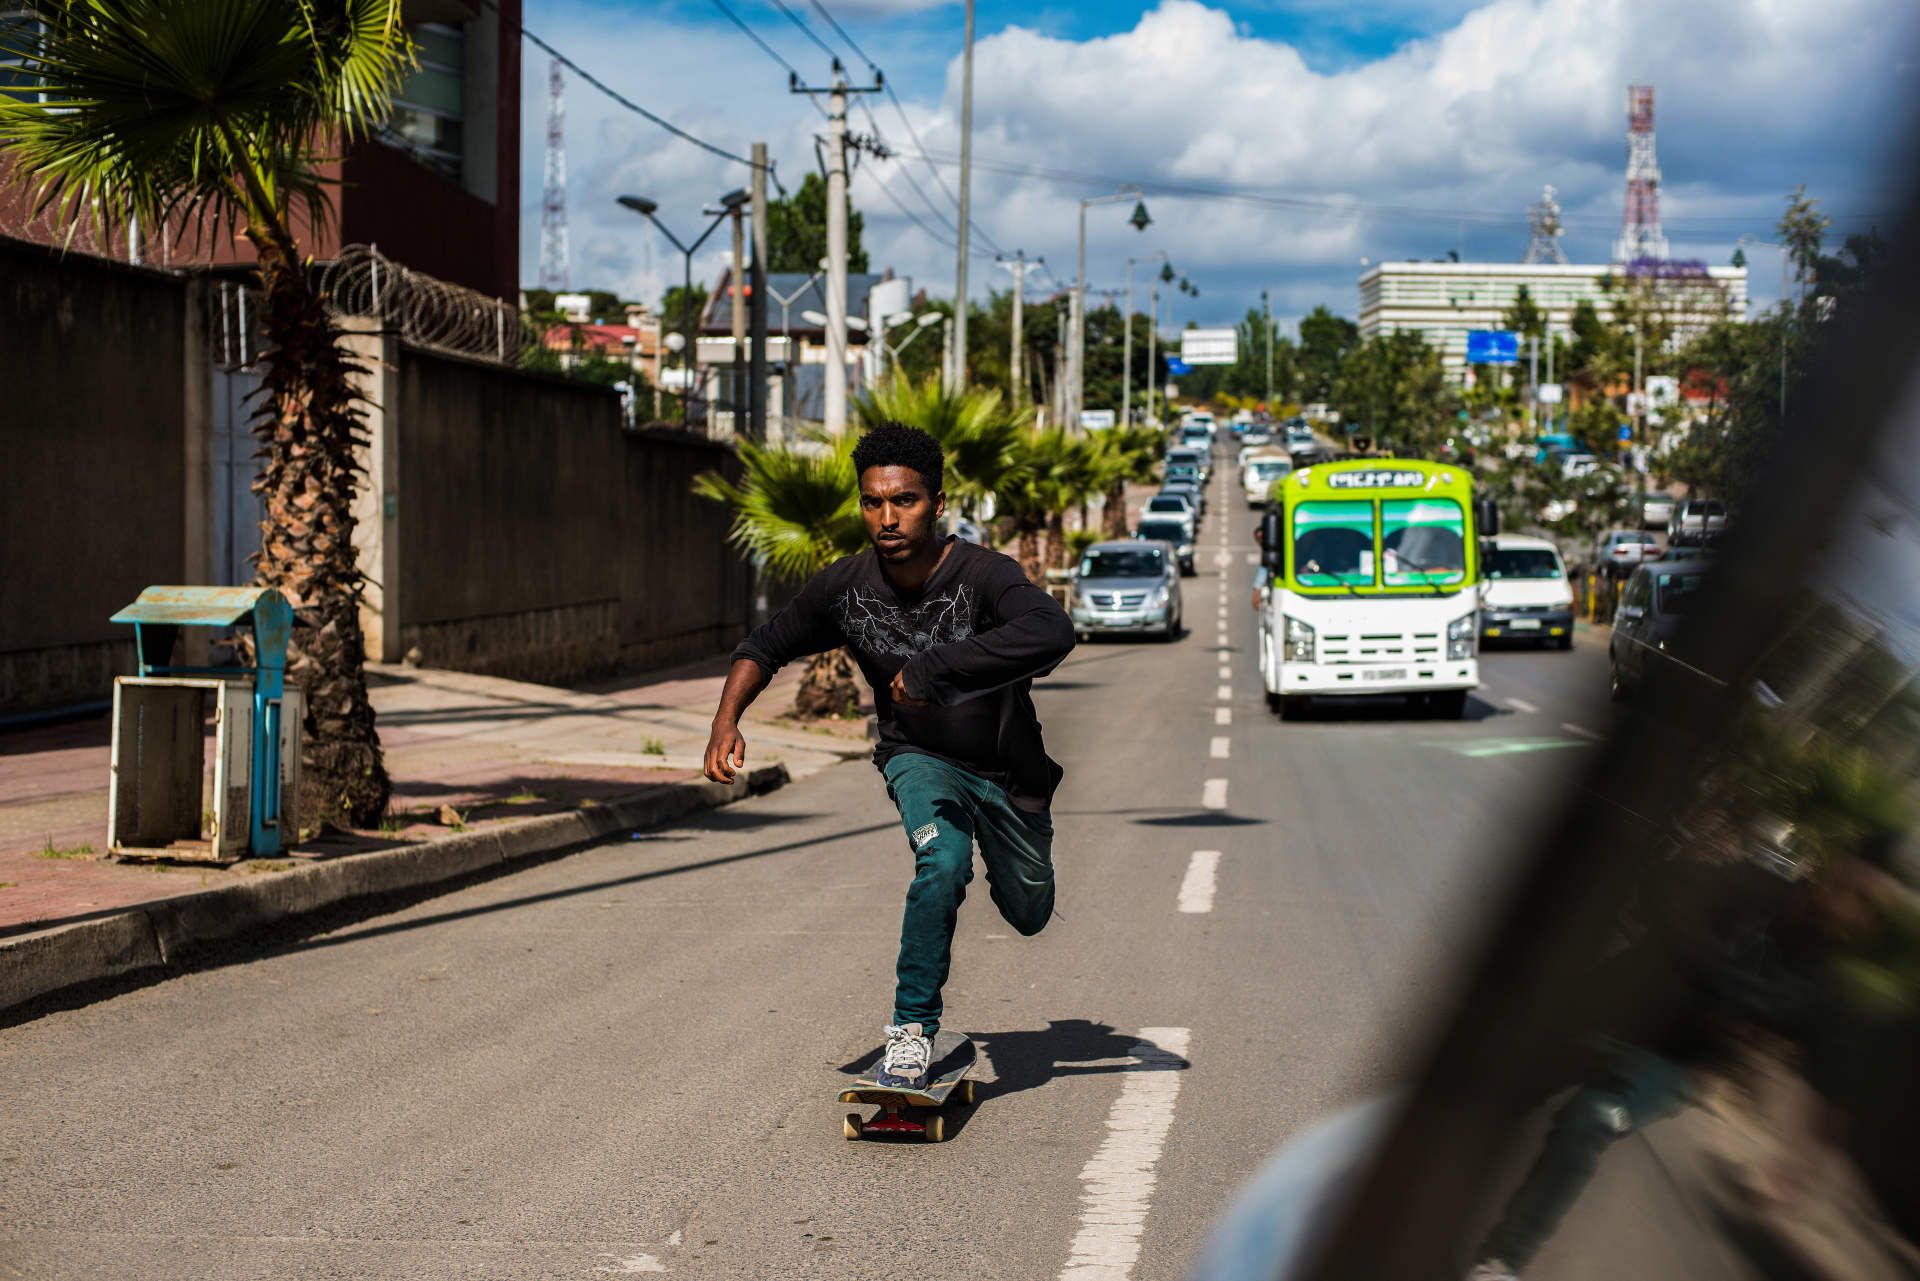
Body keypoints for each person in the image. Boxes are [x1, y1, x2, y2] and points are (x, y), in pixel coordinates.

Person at [703, 422, 1077, 1088]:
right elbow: (763, 646)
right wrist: (725, 721)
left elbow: (1053, 629)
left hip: (1007, 771)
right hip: (917, 756)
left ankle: (1004, 854)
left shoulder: (986, 575)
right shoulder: (843, 588)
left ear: (937, 501)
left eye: (903, 500)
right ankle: (911, 1030)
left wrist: (939, 665)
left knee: (1030, 912)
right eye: (873, 502)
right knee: (942, 857)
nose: (887, 516)